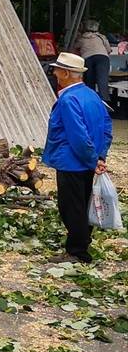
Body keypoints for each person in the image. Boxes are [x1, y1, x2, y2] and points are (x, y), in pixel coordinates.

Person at [42, 52, 113, 263]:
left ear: (65, 72)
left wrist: (92, 159)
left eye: (57, 70)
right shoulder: (92, 95)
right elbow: (107, 128)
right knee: (84, 204)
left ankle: (77, 252)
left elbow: (78, 135)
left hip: (72, 161)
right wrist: (100, 157)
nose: (54, 73)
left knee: (71, 208)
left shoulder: (67, 99)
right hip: (88, 161)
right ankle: (81, 245)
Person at [76, 19, 113, 103]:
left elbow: (74, 49)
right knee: (102, 80)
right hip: (102, 58)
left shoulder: (81, 38)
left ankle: (90, 100)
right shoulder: (101, 37)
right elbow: (109, 50)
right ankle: (105, 102)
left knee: (89, 81)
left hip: (88, 58)